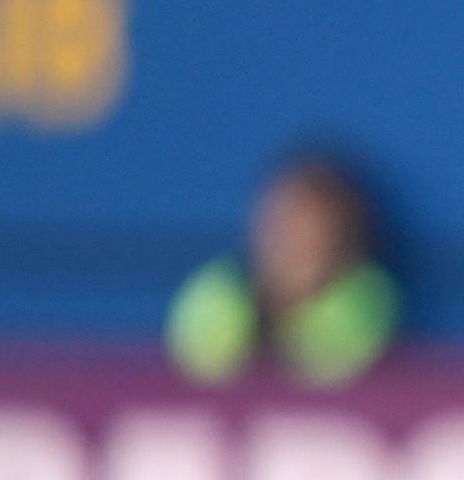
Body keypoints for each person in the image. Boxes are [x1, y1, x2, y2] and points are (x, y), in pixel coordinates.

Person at [167, 149, 402, 386]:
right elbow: (201, 367)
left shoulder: (366, 294)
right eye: (283, 218)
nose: (291, 235)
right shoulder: (217, 288)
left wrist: (293, 297)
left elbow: (326, 371)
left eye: (309, 223)